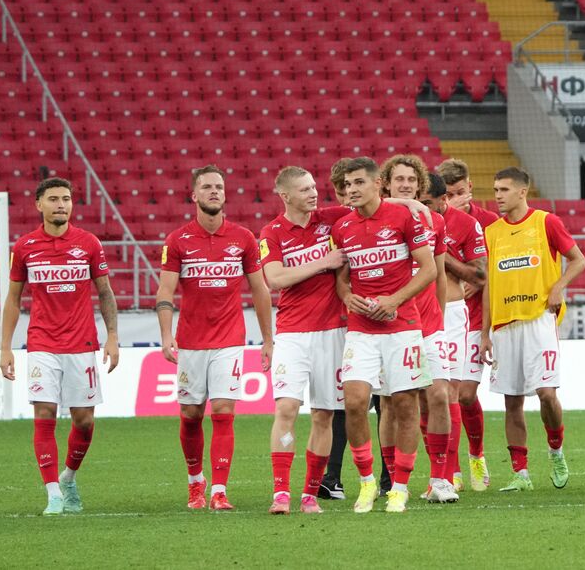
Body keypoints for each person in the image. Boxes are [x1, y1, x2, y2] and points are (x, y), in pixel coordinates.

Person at [156, 165, 273, 511]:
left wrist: (268, 339)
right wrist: (166, 335)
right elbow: (165, 291)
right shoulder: (177, 240)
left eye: (219, 187)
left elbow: (260, 290)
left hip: (229, 339)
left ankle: (219, 490)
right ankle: (196, 482)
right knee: (191, 414)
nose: (214, 192)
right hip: (191, 341)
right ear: (194, 195)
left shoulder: (243, 238)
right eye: (207, 187)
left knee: (223, 410)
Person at [1, 177, 119, 516]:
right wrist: (5, 347)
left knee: (84, 421)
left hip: (82, 344)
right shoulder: (25, 247)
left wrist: (112, 336)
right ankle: (53, 493)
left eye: (66, 198)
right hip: (42, 344)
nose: (61, 205)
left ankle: (68, 477)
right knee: (44, 414)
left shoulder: (88, 243)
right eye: (53, 199)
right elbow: (13, 299)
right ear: (39, 204)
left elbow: (105, 292)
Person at [331, 157, 438, 514]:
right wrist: (347, 296)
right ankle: (366, 483)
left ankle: (400, 487)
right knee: (354, 402)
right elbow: (341, 279)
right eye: (348, 185)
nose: (351, 190)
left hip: (402, 326)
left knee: (405, 404)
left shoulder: (403, 218)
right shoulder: (342, 227)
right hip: (362, 329)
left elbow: (429, 269)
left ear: (378, 184)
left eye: (359, 182)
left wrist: (394, 300)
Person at [480, 167, 585, 492]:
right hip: (504, 324)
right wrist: (484, 332)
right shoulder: (492, 232)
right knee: (511, 401)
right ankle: (520, 473)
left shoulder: (546, 222)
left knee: (546, 394)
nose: (498, 195)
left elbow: (578, 260)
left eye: (504, 189)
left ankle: (556, 451)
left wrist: (558, 287)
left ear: (522, 191)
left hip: (539, 319)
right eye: (496, 189)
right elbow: (489, 284)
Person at [258, 166, 351, 514]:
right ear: (285, 196)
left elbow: (376, 205)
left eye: (314, 187)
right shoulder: (272, 232)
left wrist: (412, 204)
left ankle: (310, 494)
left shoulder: (331, 219)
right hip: (293, 334)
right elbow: (275, 278)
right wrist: (323, 262)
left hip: (333, 332)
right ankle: (281, 493)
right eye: (304, 189)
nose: (313, 193)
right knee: (286, 408)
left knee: (324, 414)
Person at [379, 154, 457, 504]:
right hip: (390, 327)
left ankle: (440, 479)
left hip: (429, 325)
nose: (406, 185)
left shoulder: (434, 221)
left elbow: (438, 274)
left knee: (439, 395)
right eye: (399, 179)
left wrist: (439, 319)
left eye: (412, 179)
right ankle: (393, 480)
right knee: (391, 405)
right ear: (386, 183)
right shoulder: (376, 217)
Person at [427, 170, 488, 492]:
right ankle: (445, 472)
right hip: (417, 314)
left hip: (458, 316)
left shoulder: (472, 223)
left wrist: (441, 254)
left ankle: (471, 458)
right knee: (426, 398)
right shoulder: (403, 219)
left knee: (459, 393)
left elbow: (481, 276)